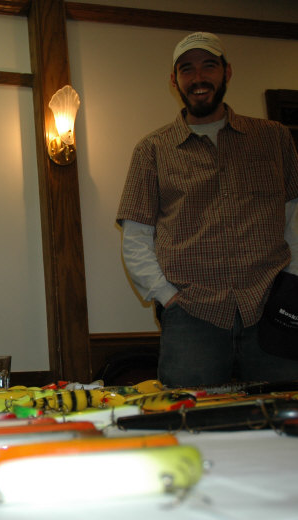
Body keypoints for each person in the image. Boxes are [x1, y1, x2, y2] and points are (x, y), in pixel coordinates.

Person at [117, 32, 298, 387]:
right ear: (174, 80)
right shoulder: (152, 150)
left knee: (286, 410)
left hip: (271, 309)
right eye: (187, 69)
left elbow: (294, 218)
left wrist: (292, 285)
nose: (198, 77)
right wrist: (168, 298)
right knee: (188, 413)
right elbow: (136, 237)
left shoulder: (274, 138)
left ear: (227, 72)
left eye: (209, 66)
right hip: (191, 316)